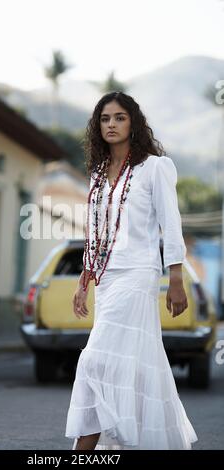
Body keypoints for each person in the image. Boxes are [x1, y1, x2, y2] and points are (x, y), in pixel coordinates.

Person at [64, 91, 198, 450]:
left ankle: (82, 453)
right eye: (105, 118)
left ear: (133, 123)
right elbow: (97, 231)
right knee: (130, 365)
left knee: (95, 361)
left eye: (119, 118)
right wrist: (85, 277)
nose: (111, 124)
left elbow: (171, 224)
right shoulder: (95, 174)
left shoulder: (155, 167)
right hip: (107, 280)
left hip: (138, 274)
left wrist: (176, 279)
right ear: (98, 125)